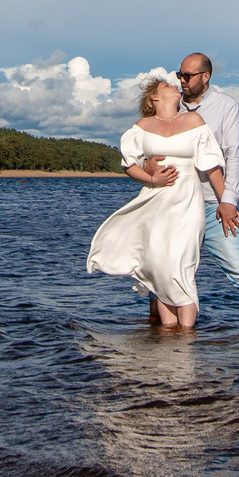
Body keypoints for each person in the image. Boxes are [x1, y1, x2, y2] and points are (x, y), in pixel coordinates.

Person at [123, 53, 239, 329]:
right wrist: (147, 163)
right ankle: (160, 338)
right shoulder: (170, 106)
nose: (181, 81)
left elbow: (233, 157)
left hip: (213, 205)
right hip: (172, 204)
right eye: (179, 75)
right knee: (162, 270)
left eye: (188, 76)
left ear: (206, 77)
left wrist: (228, 200)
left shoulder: (225, 106)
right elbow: (148, 143)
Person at [85, 78, 226, 327]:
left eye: (175, 85)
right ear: (155, 97)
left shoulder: (194, 121)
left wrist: (226, 202)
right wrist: (151, 177)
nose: (175, 86)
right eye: (167, 86)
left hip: (188, 203)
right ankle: (168, 335)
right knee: (161, 265)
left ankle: (187, 336)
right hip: (155, 202)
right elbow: (129, 164)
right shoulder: (142, 126)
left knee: (182, 262)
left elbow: (212, 167)